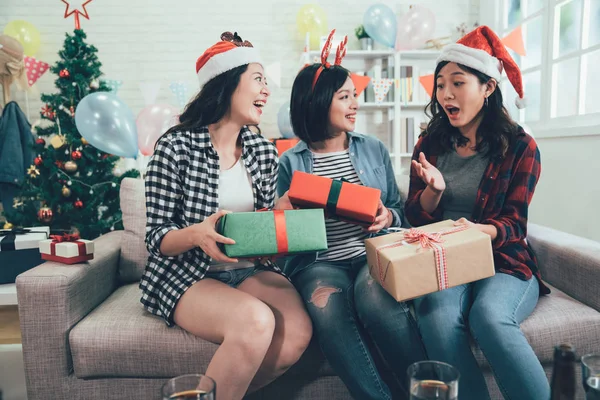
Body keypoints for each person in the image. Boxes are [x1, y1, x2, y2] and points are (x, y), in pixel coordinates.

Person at [140, 31, 312, 400]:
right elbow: (156, 238)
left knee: (298, 333)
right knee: (256, 320)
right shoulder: (175, 147)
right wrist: (197, 234)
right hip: (188, 273)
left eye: (267, 81)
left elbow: (262, 226)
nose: (267, 89)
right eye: (258, 79)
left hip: (249, 268)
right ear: (227, 83)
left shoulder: (263, 151)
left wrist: (278, 218)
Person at [278, 30, 426, 400]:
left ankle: (423, 393)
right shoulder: (290, 162)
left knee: (377, 300)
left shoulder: (372, 149)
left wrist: (386, 218)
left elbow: (397, 210)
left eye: (354, 96)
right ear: (317, 101)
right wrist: (283, 212)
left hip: (370, 254)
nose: (354, 105)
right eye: (344, 97)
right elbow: (280, 235)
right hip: (318, 264)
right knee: (326, 308)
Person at [405, 26, 550, 400]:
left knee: (488, 318)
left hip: (503, 259)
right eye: (439, 85)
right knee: (435, 317)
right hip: (444, 259)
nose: (445, 94)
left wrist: (474, 231)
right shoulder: (429, 143)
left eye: (458, 82)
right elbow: (414, 216)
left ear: (487, 88)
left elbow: (514, 224)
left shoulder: (521, 146)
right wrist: (434, 193)